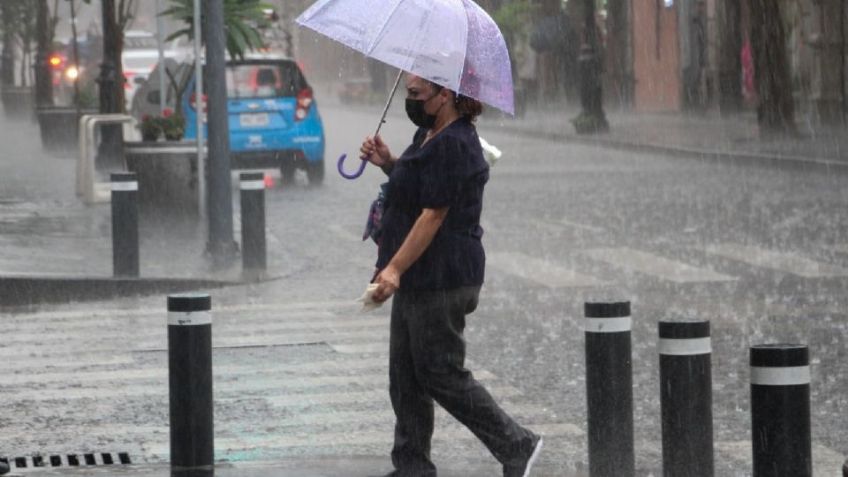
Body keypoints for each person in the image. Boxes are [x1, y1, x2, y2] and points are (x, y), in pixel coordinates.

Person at [359, 74, 544, 477]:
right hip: (421, 274)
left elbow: (433, 214)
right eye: (407, 93)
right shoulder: (429, 134)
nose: (411, 101)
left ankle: (517, 444)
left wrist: (393, 268)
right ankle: (411, 465)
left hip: (443, 275)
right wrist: (389, 162)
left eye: (417, 94)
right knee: (405, 374)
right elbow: (416, 188)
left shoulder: (455, 144)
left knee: (441, 372)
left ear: (445, 96)